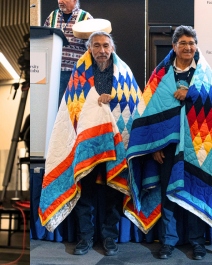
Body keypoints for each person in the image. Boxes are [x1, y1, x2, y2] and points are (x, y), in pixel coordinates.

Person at [126, 26, 212, 260]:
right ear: (174, 46)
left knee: (195, 189)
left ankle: (197, 242)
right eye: (183, 43)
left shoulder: (204, 74)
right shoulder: (160, 75)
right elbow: (148, 110)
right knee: (168, 194)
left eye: (192, 42)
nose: (188, 47)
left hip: (199, 146)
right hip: (166, 148)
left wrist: (192, 93)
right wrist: (154, 146)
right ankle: (168, 241)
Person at [38, 30, 145, 257]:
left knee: (114, 190)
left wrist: (113, 96)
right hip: (87, 143)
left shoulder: (124, 72)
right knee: (84, 190)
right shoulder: (80, 73)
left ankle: (109, 237)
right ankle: (85, 238)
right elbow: (72, 106)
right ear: (89, 49)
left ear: (112, 48)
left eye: (106, 45)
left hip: (116, 143)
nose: (101, 50)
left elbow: (134, 101)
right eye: (96, 46)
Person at [43, 0, 93, 106]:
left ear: (74, 0)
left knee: (72, 105)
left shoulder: (85, 17)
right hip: (54, 70)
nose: (60, 1)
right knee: (55, 105)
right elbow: (44, 38)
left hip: (76, 71)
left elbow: (93, 44)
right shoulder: (52, 16)